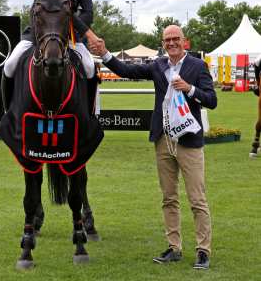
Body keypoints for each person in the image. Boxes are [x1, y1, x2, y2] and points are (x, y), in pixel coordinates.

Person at [88, 25, 217, 270]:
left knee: (197, 199)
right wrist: (105, 54)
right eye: (167, 39)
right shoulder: (159, 65)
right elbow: (126, 69)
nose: (171, 43)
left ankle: (203, 250)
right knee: (169, 198)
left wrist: (190, 89)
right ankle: (174, 247)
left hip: (189, 141)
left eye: (175, 39)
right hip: (163, 139)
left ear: (184, 41)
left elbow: (212, 100)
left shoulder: (197, 67)